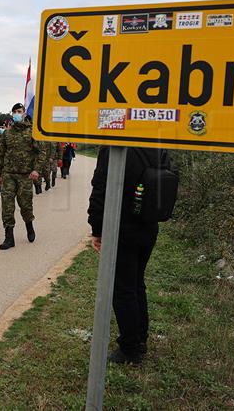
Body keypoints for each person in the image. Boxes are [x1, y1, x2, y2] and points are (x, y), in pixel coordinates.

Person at [87, 146, 167, 365]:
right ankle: (140, 339)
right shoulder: (157, 145)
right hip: (149, 225)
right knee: (136, 284)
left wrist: (97, 228)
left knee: (123, 289)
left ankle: (131, 348)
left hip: (121, 226)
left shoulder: (114, 145)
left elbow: (101, 187)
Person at [0, 103, 45, 250]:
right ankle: (9, 238)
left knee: (26, 206)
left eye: (19, 111)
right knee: (7, 207)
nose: (16, 114)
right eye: (14, 111)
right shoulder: (7, 134)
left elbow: (41, 153)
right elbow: (1, 154)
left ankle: (29, 226)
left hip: (25, 176)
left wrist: (36, 170)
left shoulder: (32, 132)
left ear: (24, 113)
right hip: (9, 175)